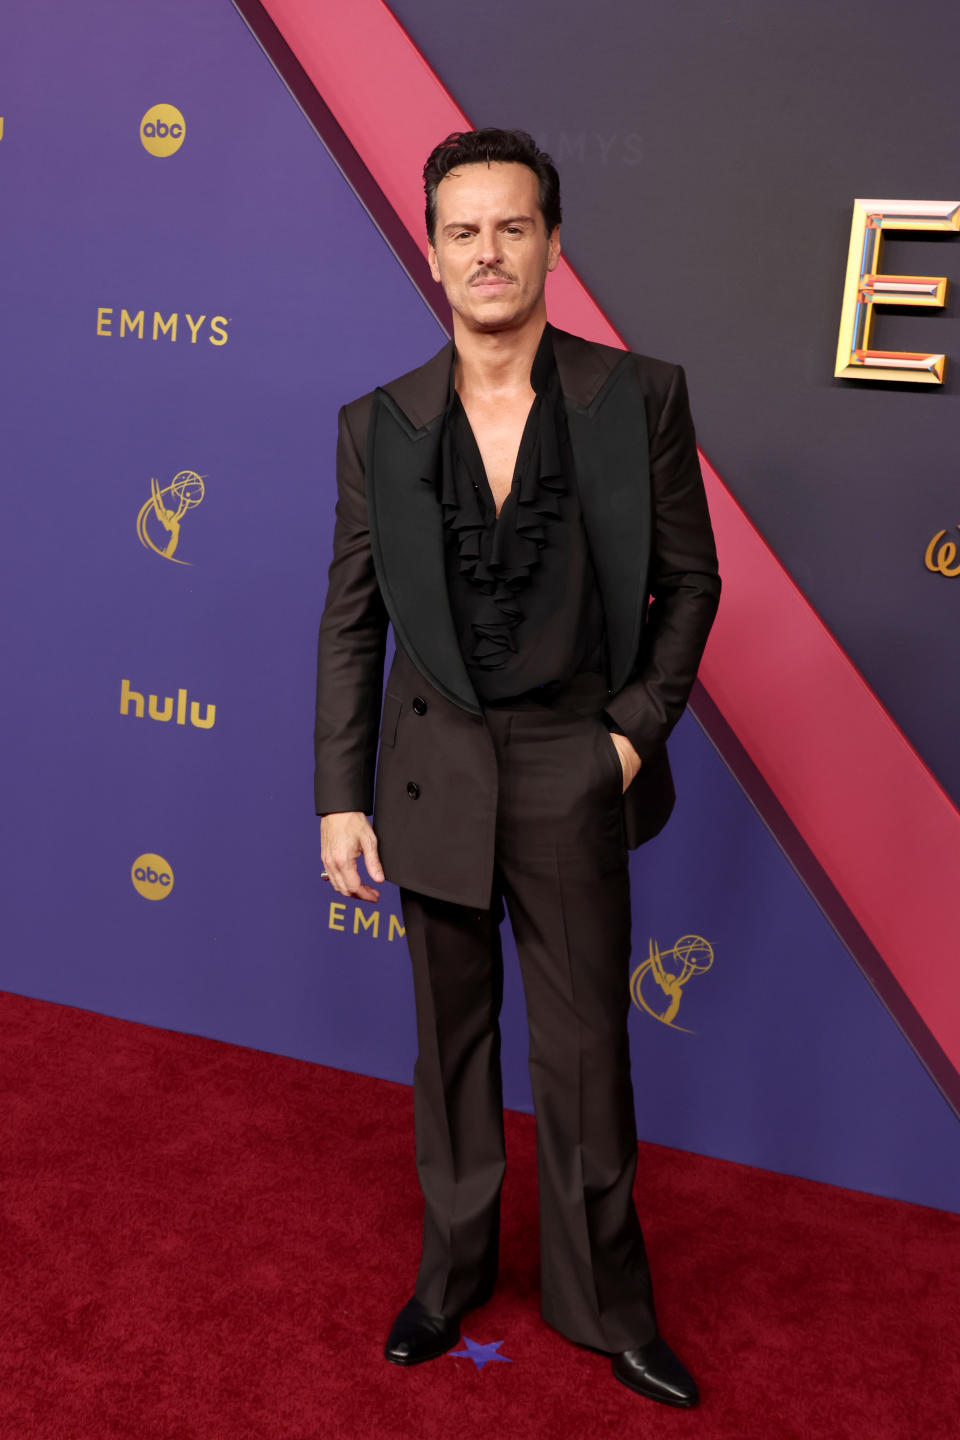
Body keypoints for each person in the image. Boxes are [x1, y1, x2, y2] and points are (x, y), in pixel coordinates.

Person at [314, 127, 721, 1409]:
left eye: (512, 226)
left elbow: (691, 583)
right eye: (461, 230)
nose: (487, 252)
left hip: (571, 760)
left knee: (589, 1050)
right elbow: (352, 618)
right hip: (431, 767)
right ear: (431, 253)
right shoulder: (377, 424)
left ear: (550, 240)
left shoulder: (638, 395)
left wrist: (627, 733)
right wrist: (338, 792)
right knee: (450, 1046)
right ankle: (451, 1276)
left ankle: (605, 1305)